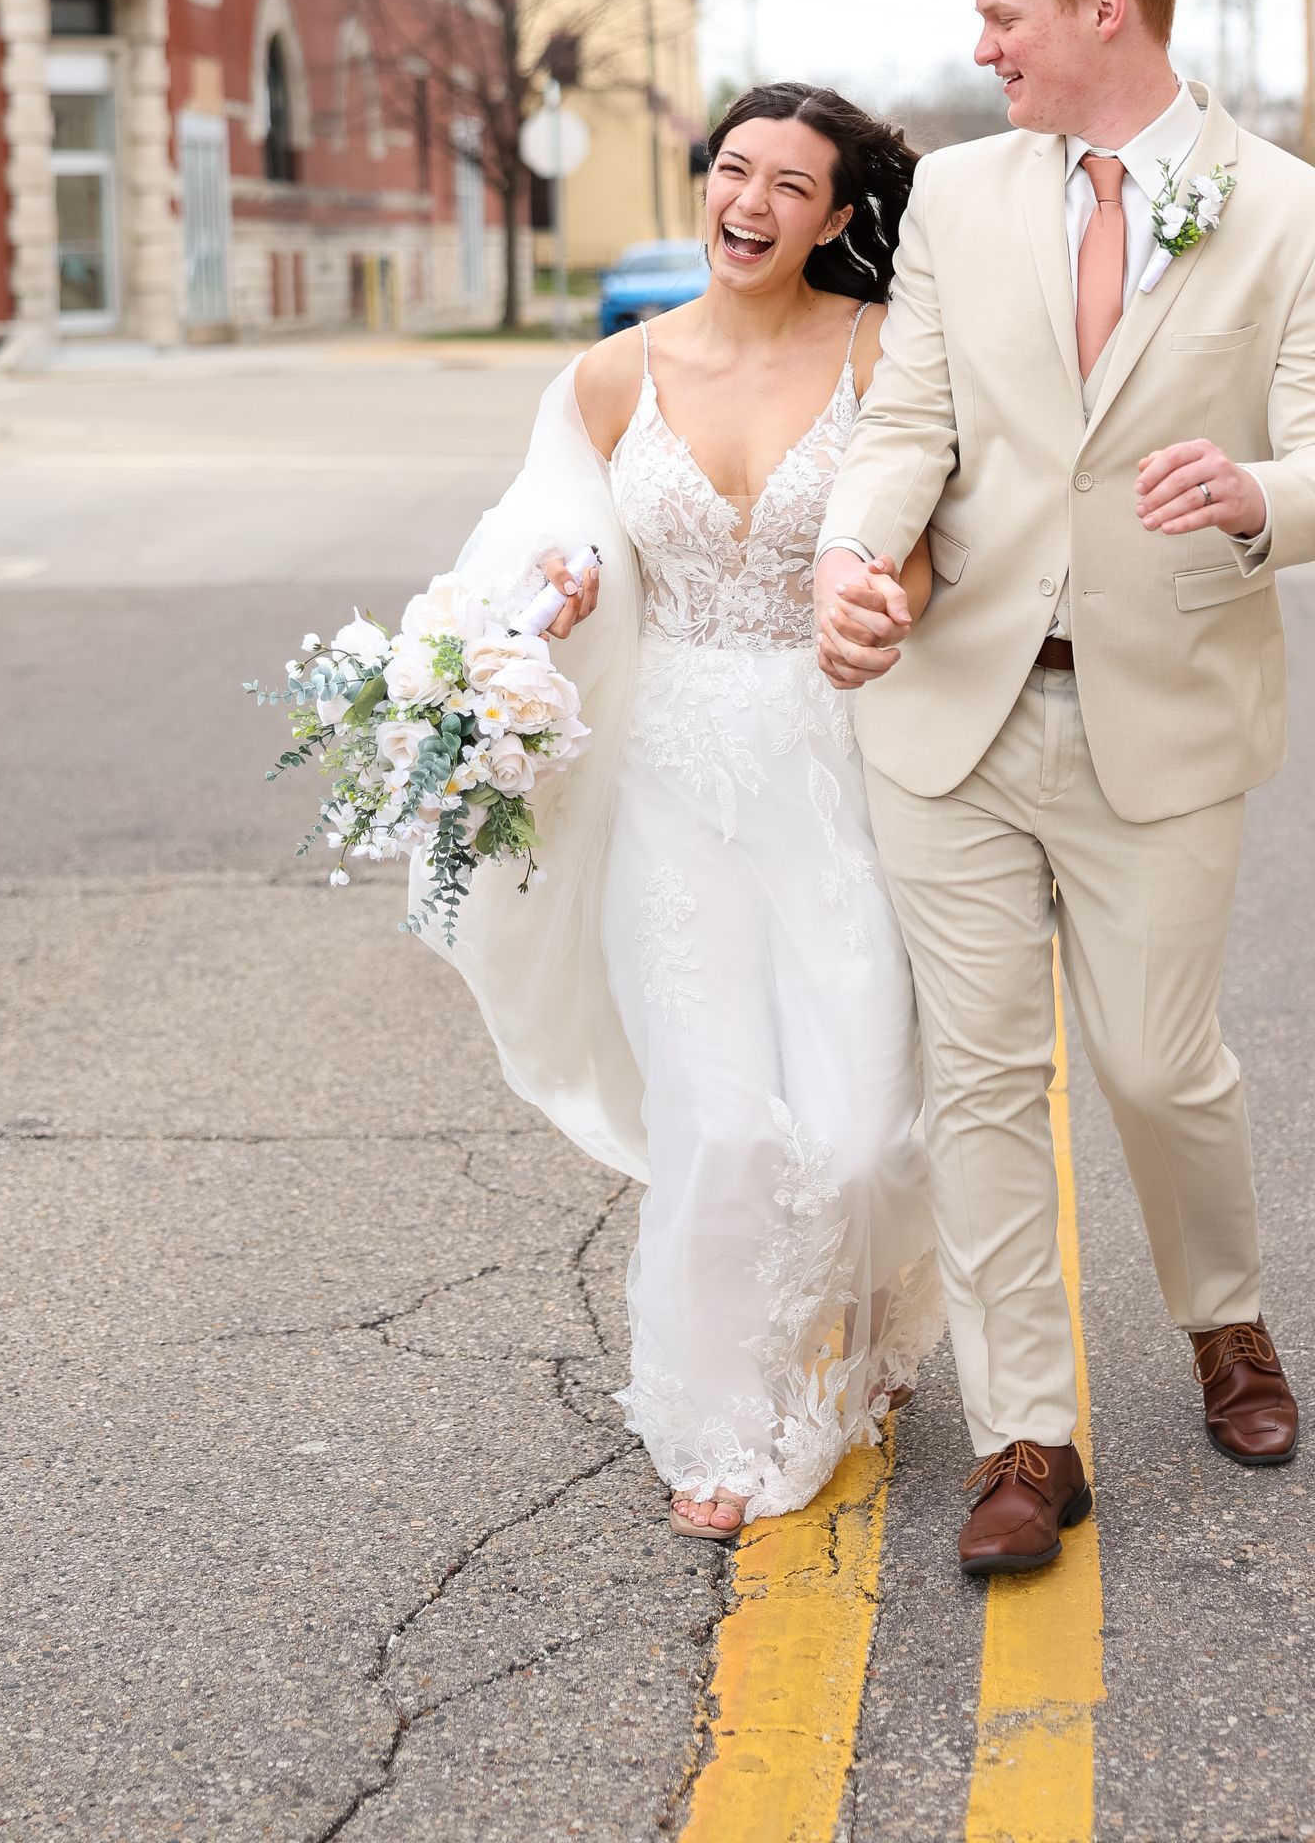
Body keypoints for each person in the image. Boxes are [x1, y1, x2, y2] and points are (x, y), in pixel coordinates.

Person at [813, 0, 1315, 1578]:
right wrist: (857, 557)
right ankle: (1030, 1437)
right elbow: (906, 421)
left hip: (1164, 710)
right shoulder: (961, 200)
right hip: (955, 716)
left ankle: (1226, 1320)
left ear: (1102, 9)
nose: (983, 45)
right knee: (985, 1083)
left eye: (1002, 14)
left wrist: (1257, 492)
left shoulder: (1296, 216)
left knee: (1156, 1063)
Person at [414, 84, 941, 1542]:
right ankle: (716, 1417)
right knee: (717, 1113)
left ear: (838, 218)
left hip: (844, 766)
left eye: (790, 183)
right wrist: (555, 601)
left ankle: (875, 1314)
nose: (751, 202)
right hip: (674, 775)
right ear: (704, 185)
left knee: (855, 1128)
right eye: (731, 170)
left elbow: (949, 535)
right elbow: (545, 549)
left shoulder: (884, 353)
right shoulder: (607, 380)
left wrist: (898, 602)